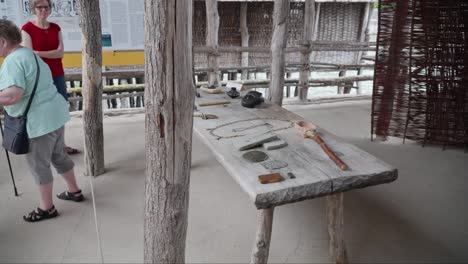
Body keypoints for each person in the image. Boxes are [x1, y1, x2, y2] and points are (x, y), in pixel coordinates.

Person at [0, 19, 84, 222]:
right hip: (55, 114)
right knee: (58, 155)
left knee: (39, 165)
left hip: (37, 123)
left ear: (2, 41)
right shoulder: (28, 53)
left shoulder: (12, 61)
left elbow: (12, 96)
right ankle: (74, 191)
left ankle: (47, 208)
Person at [21, 0, 79, 155]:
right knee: (41, 110)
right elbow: (29, 55)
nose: (43, 10)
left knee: (60, 108)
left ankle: (61, 145)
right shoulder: (27, 29)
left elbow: (60, 53)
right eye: (39, 7)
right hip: (39, 77)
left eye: (46, 7)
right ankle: (45, 146)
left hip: (57, 74)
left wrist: (39, 53)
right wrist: (49, 54)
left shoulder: (55, 28)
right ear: (34, 9)